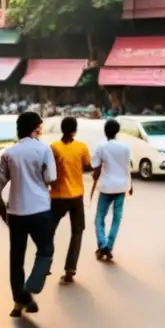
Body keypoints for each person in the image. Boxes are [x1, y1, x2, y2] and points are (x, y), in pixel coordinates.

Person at [0, 111, 56, 318]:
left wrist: (2, 211)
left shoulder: (9, 153)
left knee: (16, 258)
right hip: (39, 210)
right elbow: (51, 178)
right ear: (34, 128)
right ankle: (28, 291)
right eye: (40, 125)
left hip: (16, 212)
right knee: (45, 250)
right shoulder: (43, 149)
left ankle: (17, 303)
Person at [49, 117, 92, 284]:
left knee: (49, 231)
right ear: (75, 130)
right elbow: (88, 166)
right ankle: (70, 269)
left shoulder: (54, 147)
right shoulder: (81, 147)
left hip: (58, 196)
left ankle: (46, 263)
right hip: (76, 196)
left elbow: (49, 170)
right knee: (77, 232)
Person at [91, 119, 133, 262]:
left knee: (99, 218)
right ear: (117, 131)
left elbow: (95, 167)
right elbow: (127, 167)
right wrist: (131, 185)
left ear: (105, 131)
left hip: (106, 186)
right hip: (121, 186)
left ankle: (102, 244)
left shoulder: (101, 147)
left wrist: (94, 177)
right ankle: (109, 245)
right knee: (116, 218)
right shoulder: (126, 148)